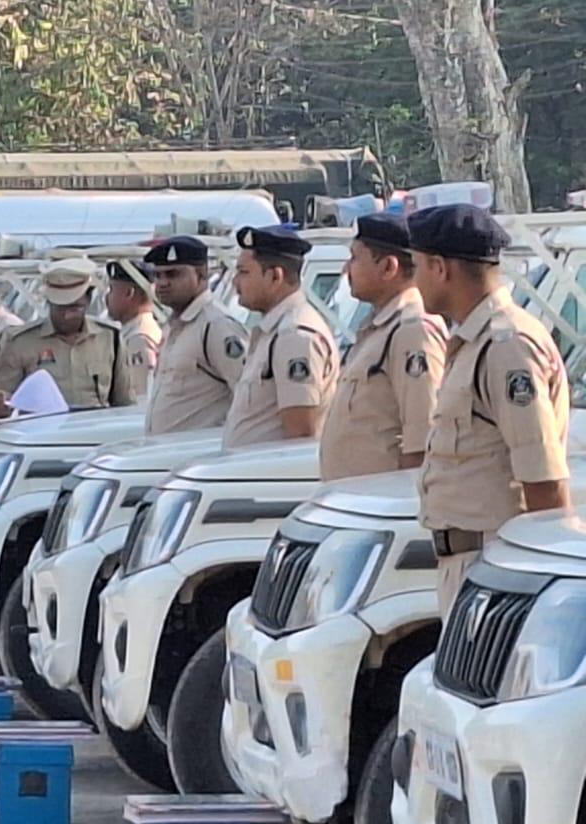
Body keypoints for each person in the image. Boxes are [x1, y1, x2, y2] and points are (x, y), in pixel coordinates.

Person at [411, 203, 571, 611]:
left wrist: (536, 583)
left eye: (417, 267)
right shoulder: (476, 342)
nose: (415, 281)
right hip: (474, 564)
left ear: (440, 268)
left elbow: (544, 481)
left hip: (498, 569)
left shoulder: (506, 345)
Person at [320, 213, 447, 482]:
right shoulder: (380, 328)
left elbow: (423, 440)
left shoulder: (412, 330)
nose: (346, 269)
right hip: (356, 498)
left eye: (355, 258)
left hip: (383, 499)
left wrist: (404, 500)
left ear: (388, 267)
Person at [223, 225, 338, 450]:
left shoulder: (295, 336)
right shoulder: (276, 331)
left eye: (244, 272)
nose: (235, 283)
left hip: (269, 471)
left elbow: (301, 434)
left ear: (275, 276)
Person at [0, 258, 131, 419]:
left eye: (74, 308)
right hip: (42, 431)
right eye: (59, 308)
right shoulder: (20, 343)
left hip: (96, 430)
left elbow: (124, 405)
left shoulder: (109, 338)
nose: (66, 316)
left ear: (88, 300)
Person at [140, 235, 249, 436]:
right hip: (166, 450)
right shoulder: (173, 326)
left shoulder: (217, 326)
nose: (162, 283)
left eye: (173, 274)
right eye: (158, 275)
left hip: (199, 450)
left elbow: (249, 397)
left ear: (201, 275)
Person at [104, 259, 163, 400]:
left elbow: (140, 397)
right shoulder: (139, 331)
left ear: (129, 293)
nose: (106, 297)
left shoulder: (139, 339)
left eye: (111, 289)